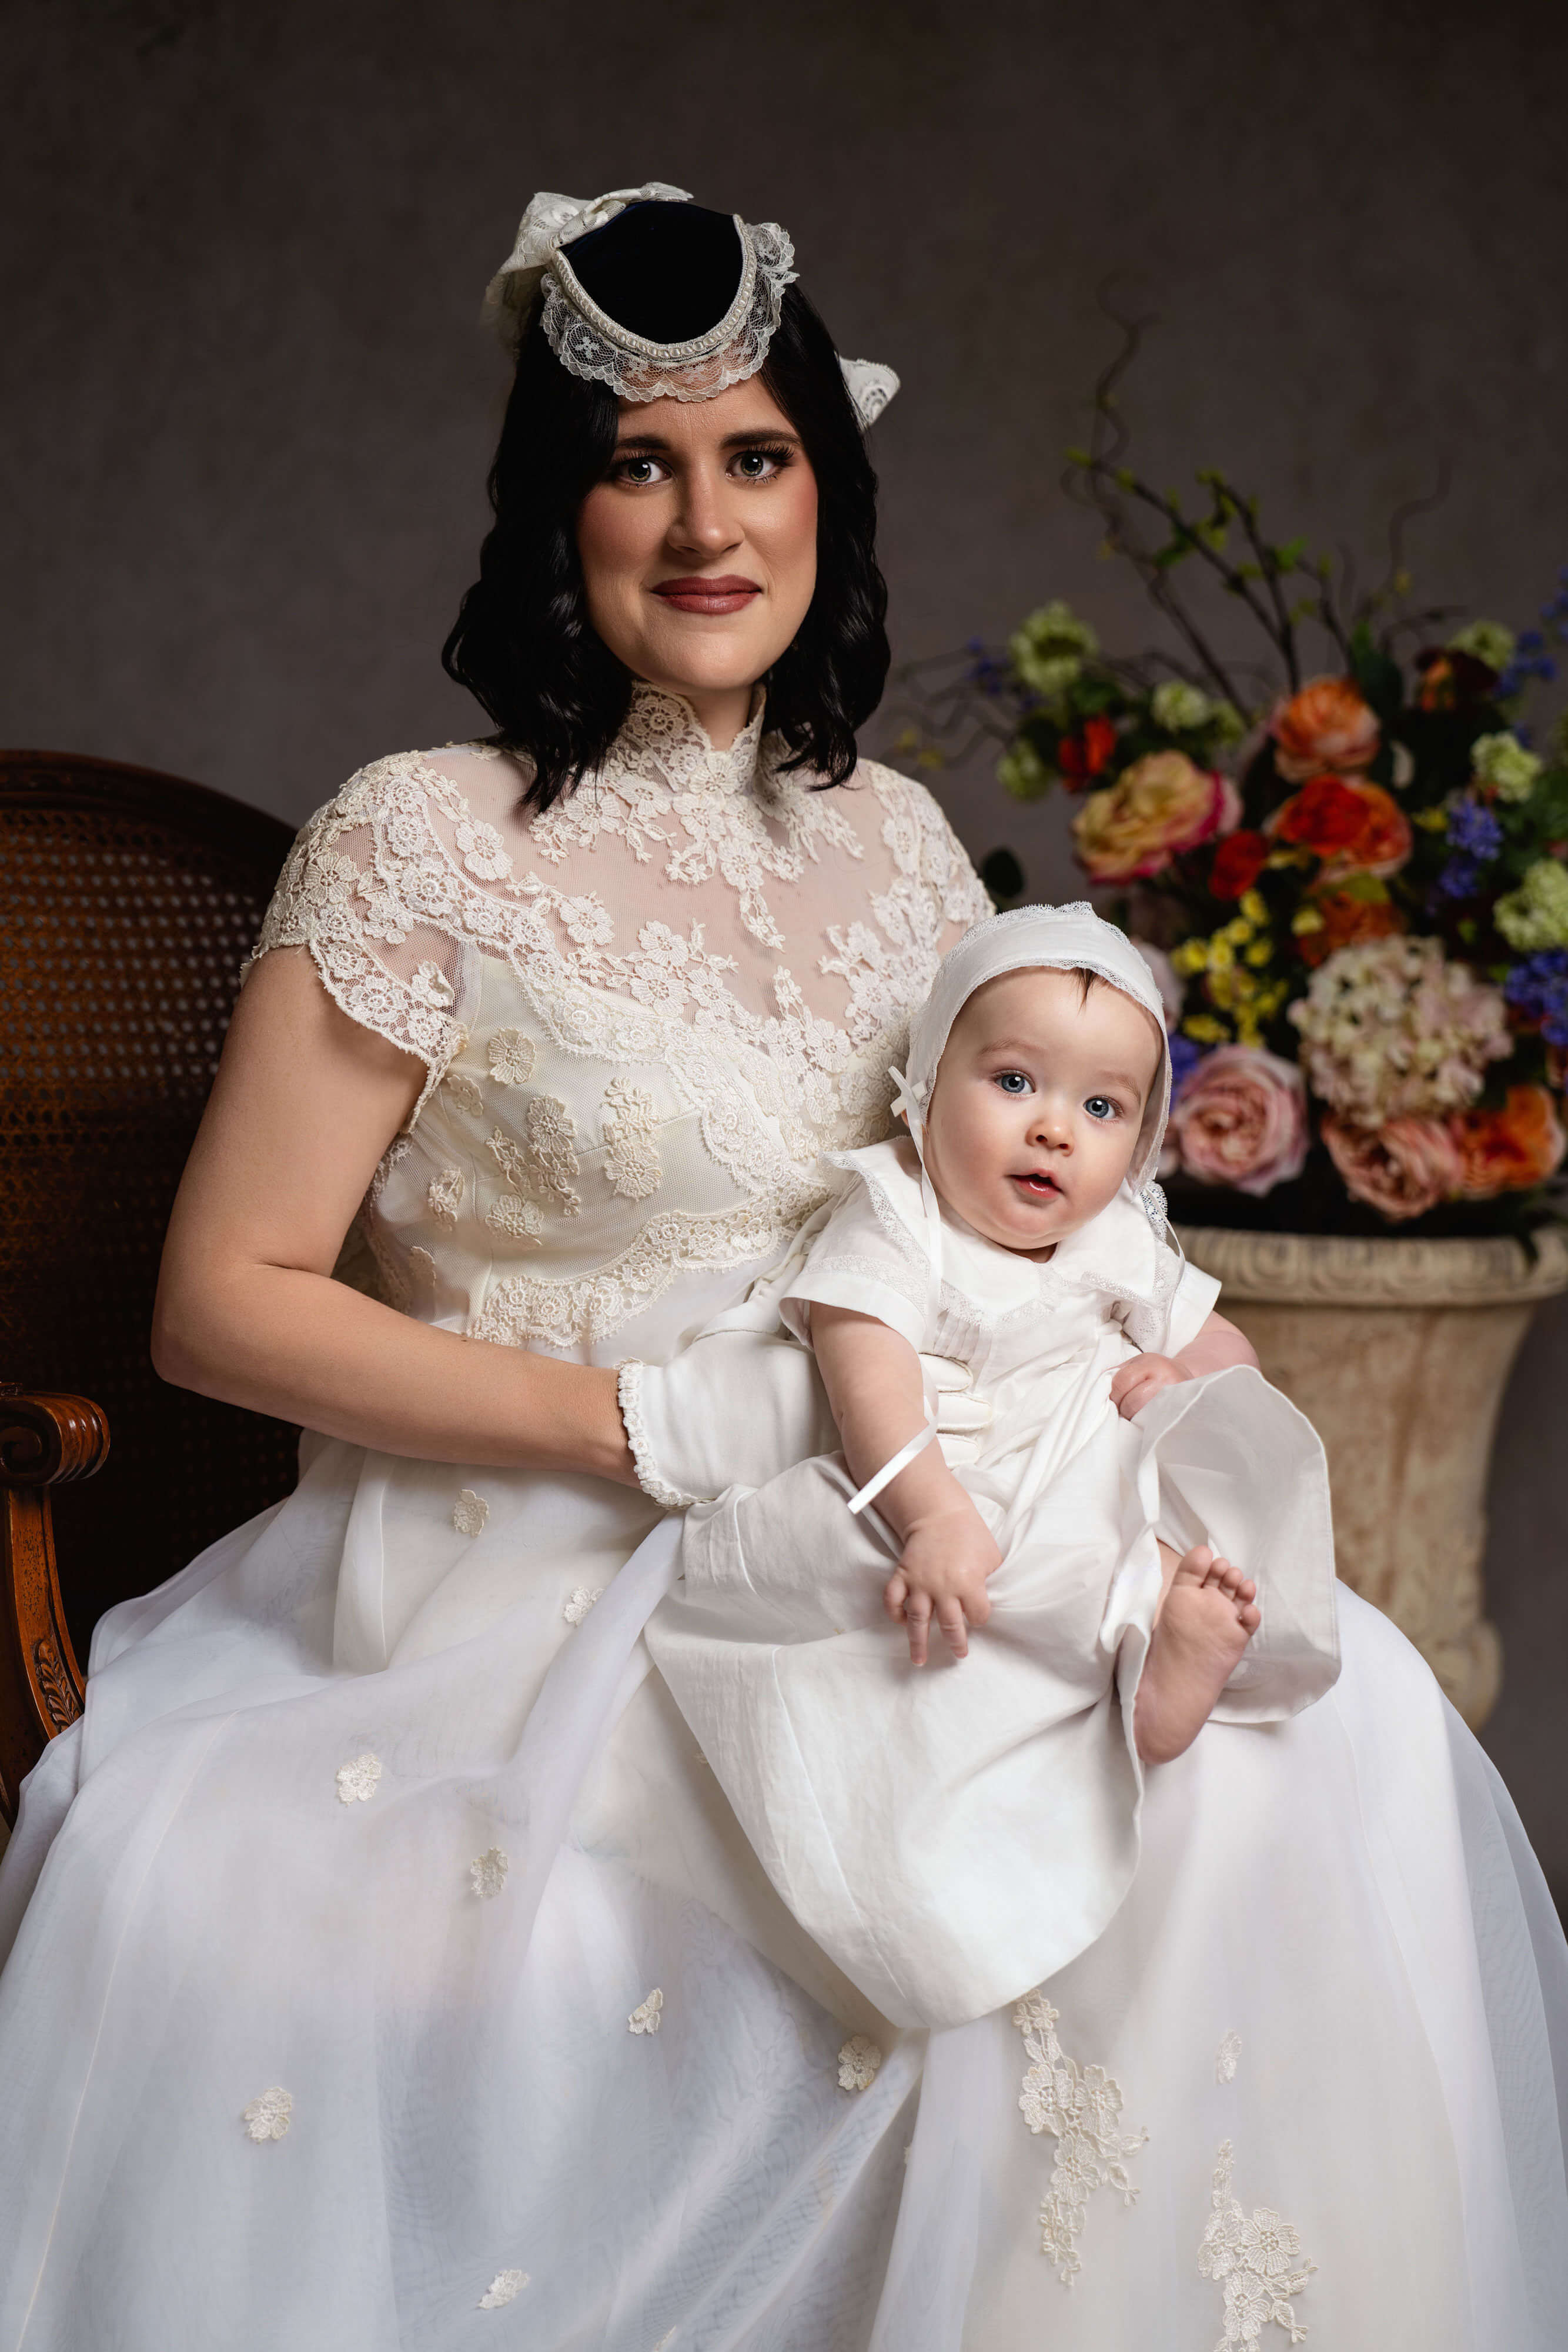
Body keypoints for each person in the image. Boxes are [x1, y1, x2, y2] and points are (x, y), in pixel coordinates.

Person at [0, 185, 1563, 2352]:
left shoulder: (892, 839)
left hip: (876, 1497)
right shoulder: (421, 834)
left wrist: (1132, 1360)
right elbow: (224, 1299)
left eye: (756, 456)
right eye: (638, 461)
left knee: (1339, 1730)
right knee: (975, 1863)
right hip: (524, 1556)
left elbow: (999, 1204)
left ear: (825, 489)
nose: (703, 519)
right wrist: (635, 1424)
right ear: (559, 505)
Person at [643, 904, 1343, 2029]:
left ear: (1140, 1141)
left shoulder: (1120, 1241)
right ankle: (1129, 1653)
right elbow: (861, 1368)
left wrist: (1186, 1379)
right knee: (1002, 1565)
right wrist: (931, 1513)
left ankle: (1154, 1645)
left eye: (1102, 1107)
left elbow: (1225, 1345)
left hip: (1079, 1461)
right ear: (926, 1092)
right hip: (936, 1474)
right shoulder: (898, 1217)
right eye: (1015, 1083)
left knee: (1136, 1512)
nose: (1056, 1130)